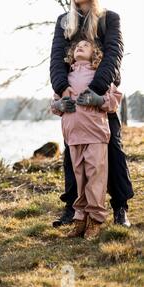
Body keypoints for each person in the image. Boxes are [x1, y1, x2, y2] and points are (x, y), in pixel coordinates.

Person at [50, 0, 133, 228]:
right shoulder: (64, 21)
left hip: (100, 95)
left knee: (113, 150)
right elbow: (56, 58)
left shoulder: (110, 18)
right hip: (72, 101)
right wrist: (61, 88)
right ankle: (74, 210)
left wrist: (97, 90)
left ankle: (120, 207)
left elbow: (114, 54)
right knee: (72, 156)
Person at [51, 39, 122, 239]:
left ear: (95, 54)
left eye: (86, 45)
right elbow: (54, 104)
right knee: (80, 179)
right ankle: (80, 219)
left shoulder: (98, 75)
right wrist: (60, 106)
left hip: (95, 134)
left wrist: (99, 100)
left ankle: (95, 220)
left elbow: (114, 100)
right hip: (73, 136)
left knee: (95, 177)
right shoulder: (65, 78)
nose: (80, 47)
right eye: (77, 46)